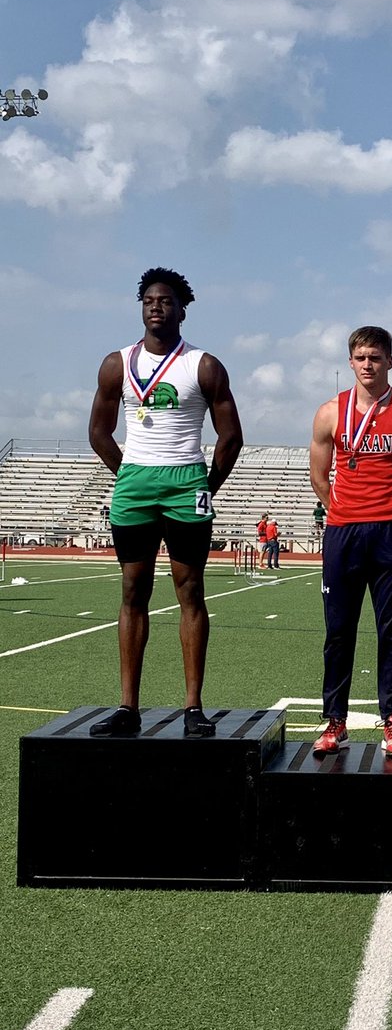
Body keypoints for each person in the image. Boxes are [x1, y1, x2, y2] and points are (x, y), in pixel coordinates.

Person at [87, 267, 243, 737]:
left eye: (166, 301)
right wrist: (128, 472)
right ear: (142, 307)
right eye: (149, 300)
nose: (157, 307)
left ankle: (193, 707)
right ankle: (127, 707)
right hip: (135, 481)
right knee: (132, 590)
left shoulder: (203, 365)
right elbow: (98, 431)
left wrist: (205, 485)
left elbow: (231, 437)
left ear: (182, 310)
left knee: (190, 590)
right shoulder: (116, 363)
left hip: (185, 480)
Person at [309, 326, 392, 757]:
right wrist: (343, 511)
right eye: (361, 358)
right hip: (343, 532)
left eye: (376, 358)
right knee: (338, 632)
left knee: (391, 633)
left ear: (389, 361)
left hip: (390, 533)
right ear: (350, 362)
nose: (368, 365)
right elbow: (318, 476)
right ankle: (335, 721)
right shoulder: (329, 412)